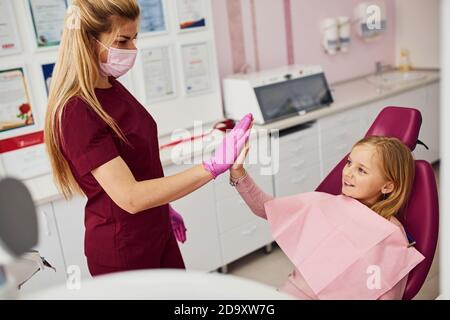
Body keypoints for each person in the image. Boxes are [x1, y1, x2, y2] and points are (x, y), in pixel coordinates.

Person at [44, 0, 252, 276]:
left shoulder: (112, 88)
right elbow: (129, 197)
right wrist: (211, 166)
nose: (133, 49)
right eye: (123, 40)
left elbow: (140, 168)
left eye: (135, 38)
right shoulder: (76, 111)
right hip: (124, 249)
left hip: (155, 230)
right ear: (88, 40)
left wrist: (162, 210)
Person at [230, 136, 422, 299]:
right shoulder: (324, 204)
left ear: (387, 186)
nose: (348, 172)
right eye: (349, 163)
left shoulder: (390, 234)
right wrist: (239, 173)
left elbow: (386, 290)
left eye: (361, 170)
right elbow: (266, 208)